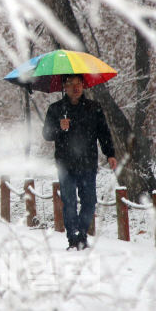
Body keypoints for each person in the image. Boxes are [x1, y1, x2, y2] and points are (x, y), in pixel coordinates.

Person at [42, 74, 118, 251]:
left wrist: (110, 154)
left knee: (89, 202)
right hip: (65, 164)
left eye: (78, 83)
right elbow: (46, 134)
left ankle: (82, 234)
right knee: (69, 203)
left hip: (88, 163)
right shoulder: (55, 109)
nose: (75, 87)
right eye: (70, 83)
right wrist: (59, 128)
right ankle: (73, 239)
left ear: (83, 85)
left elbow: (104, 133)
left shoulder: (94, 108)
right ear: (64, 87)